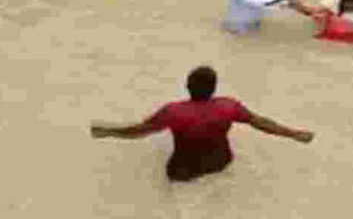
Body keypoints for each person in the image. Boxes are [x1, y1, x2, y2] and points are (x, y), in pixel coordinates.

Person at [88, 66, 314, 182]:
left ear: (187, 86)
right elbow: (261, 123)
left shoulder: (173, 112)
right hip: (221, 163)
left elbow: (138, 132)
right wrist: (293, 133)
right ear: (215, 88)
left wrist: (108, 131)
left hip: (183, 170)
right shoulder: (229, 106)